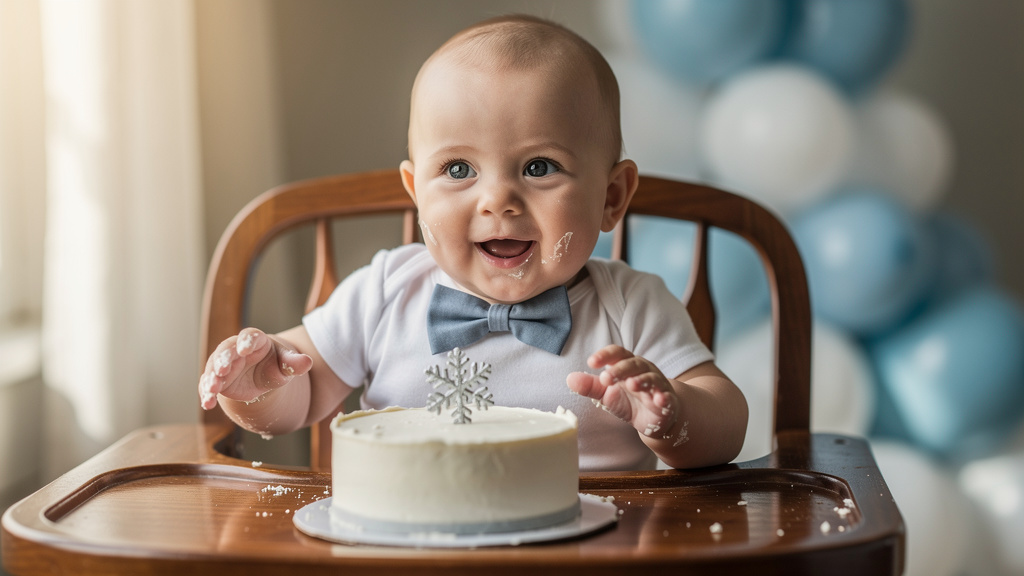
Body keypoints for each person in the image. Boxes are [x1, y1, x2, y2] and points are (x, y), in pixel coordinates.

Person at [198, 14, 747, 471]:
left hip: (591, 549)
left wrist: (674, 417)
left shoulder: (631, 306)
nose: (497, 200)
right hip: (404, 542)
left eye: (539, 167)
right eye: (459, 168)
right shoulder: (387, 292)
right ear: (416, 192)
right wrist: (255, 387)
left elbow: (726, 417)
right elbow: (301, 393)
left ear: (610, 197)